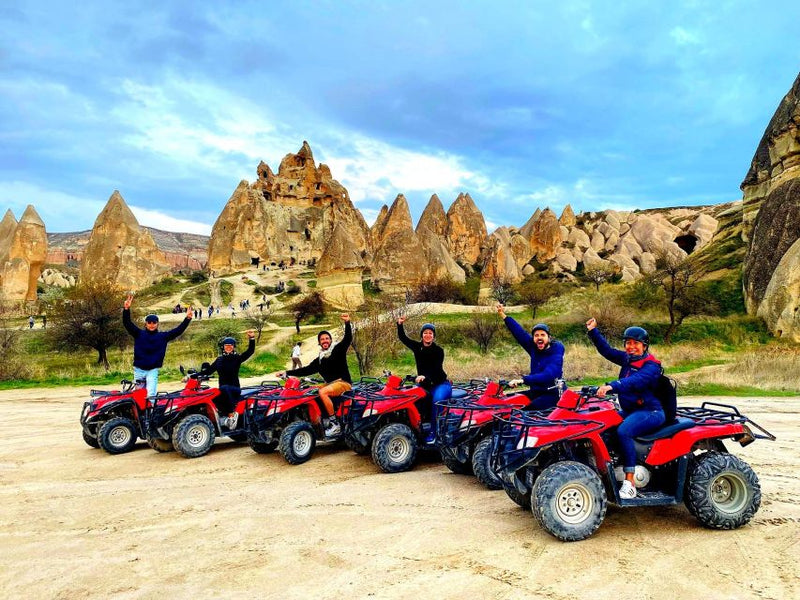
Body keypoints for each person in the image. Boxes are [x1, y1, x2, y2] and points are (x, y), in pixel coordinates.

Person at [586, 317, 665, 499]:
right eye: (628, 343)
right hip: (631, 410)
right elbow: (607, 351)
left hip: (651, 412)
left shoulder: (652, 365)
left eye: (636, 343)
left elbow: (635, 381)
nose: (631, 346)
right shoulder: (628, 359)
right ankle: (610, 469)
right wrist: (593, 332)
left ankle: (630, 482)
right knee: (602, 425)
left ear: (644, 346)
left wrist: (612, 385)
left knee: (624, 431)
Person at [282, 315, 353, 436]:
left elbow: (347, 339)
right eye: (322, 339)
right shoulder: (320, 359)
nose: (325, 341)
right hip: (330, 384)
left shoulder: (337, 349)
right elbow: (306, 370)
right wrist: (287, 373)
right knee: (309, 390)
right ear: (319, 342)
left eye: (327, 338)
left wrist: (347, 323)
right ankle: (316, 421)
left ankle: (334, 423)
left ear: (330, 340)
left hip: (343, 383)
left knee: (323, 392)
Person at [122, 294, 192, 398]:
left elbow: (178, 331)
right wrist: (126, 309)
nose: (151, 324)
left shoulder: (163, 336)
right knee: (138, 396)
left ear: (157, 324)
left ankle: (151, 413)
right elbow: (127, 323)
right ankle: (141, 414)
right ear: (146, 324)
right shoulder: (138, 333)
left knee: (151, 395)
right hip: (139, 370)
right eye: (149, 322)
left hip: (152, 370)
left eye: (154, 322)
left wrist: (187, 319)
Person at [496, 304, 564, 409]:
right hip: (535, 391)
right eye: (536, 335)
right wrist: (503, 315)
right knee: (507, 403)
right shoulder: (534, 347)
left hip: (552, 394)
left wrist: (523, 380)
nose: (539, 338)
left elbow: (549, 374)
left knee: (524, 412)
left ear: (549, 338)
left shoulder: (556, 351)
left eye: (543, 335)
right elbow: (519, 333)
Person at [396, 316, 451, 443]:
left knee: (437, 401)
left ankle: (434, 433)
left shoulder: (438, 351)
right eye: (425, 333)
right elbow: (403, 338)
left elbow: (437, 370)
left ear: (434, 336)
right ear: (422, 335)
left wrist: (425, 377)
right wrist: (399, 325)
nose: (427, 335)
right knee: (411, 398)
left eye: (430, 333)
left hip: (439, 383)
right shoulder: (417, 347)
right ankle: (416, 429)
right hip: (424, 384)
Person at [199, 330, 256, 429]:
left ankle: (232, 415)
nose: (228, 347)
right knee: (210, 394)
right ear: (223, 347)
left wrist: (252, 339)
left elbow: (250, 351)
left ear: (234, 347)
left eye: (231, 345)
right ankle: (218, 420)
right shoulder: (219, 360)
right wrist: (192, 375)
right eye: (226, 345)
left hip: (234, 390)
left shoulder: (237, 358)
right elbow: (208, 371)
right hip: (223, 391)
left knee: (224, 388)